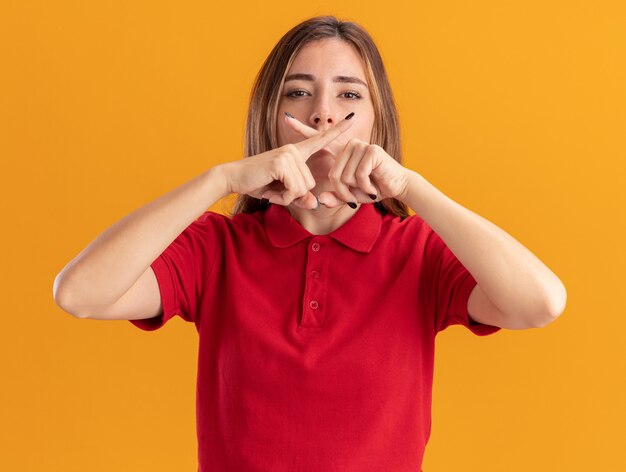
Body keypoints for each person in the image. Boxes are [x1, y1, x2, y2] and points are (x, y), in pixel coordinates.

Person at [53, 15, 567, 472]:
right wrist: (220, 180)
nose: (323, 113)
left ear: (376, 119)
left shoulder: (419, 253)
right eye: (298, 92)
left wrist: (412, 188)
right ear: (269, 116)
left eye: (349, 94)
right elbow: (79, 293)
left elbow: (541, 303)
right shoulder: (216, 249)